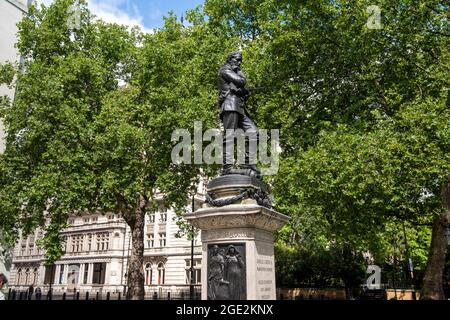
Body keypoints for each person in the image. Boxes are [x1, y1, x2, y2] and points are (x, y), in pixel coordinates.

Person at [218, 52, 260, 176]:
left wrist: (241, 90)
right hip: (230, 106)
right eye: (237, 60)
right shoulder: (224, 70)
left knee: (254, 132)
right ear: (230, 59)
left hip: (240, 108)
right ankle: (227, 167)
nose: (239, 63)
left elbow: (243, 91)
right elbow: (241, 82)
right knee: (230, 136)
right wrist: (241, 81)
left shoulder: (233, 71)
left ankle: (247, 163)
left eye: (240, 60)